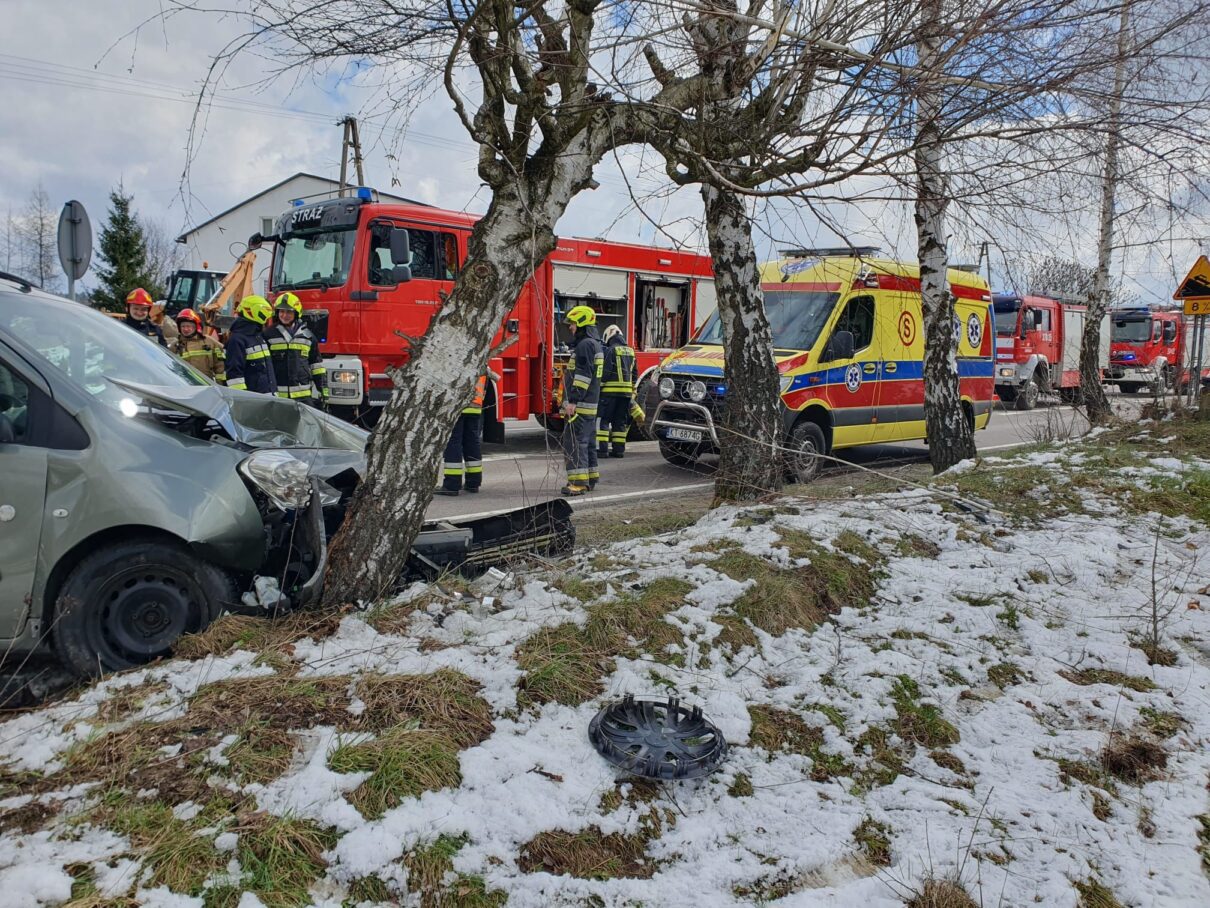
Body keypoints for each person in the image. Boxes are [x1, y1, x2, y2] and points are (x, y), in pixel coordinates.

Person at [560, 305, 603, 496]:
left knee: (576, 443)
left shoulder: (584, 345)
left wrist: (573, 401)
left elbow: (583, 376)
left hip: (581, 406)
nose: (570, 327)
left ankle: (578, 483)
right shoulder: (595, 344)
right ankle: (590, 478)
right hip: (590, 405)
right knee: (588, 443)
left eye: (573, 323)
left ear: (582, 323)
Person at [436, 368, 498, 497]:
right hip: (475, 406)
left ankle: (452, 484)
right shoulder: (481, 363)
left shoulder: (458, 361)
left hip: (456, 406)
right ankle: (473, 483)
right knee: (472, 442)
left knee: (453, 443)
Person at [265, 292, 328, 405]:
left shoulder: (308, 336)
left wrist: (323, 388)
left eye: (289, 312)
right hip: (278, 397)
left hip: (303, 397)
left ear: (296, 313)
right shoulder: (268, 334)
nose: (284, 315)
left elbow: (316, 365)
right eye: (281, 311)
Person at [597, 324, 639, 458]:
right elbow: (635, 374)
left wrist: (598, 388)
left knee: (603, 421)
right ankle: (619, 450)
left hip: (609, 394)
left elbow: (606, 372)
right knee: (620, 422)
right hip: (626, 395)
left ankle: (602, 450)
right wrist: (631, 391)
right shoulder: (631, 351)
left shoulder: (611, 350)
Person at [224, 295, 277, 394]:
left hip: (267, 397)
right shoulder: (237, 340)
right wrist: (243, 398)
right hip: (253, 400)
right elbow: (234, 376)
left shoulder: (258, 336)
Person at [169, 308, 226, 382]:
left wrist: (220, 384)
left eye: (189, 326)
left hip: (207, 384)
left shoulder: (209, 342)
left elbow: (220, 365)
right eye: (183, 326)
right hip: (184, 384)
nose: (185, 329)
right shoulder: (175, 346)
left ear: (196, 327)